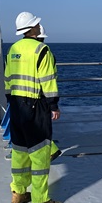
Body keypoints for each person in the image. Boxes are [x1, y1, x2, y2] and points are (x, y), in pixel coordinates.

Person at [4, 12, 63, 203]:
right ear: (31, 29)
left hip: (16, 107)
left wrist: (12, 102)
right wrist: (53, 106)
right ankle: (40, 202)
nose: (40, 27)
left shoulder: (13, 49)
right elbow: (48, 81)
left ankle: (18, 194)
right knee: (39, 156)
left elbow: (7, 79)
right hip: (36, 107)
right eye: (37, 24)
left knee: (19, 153)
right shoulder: (42, 50)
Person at [37, 24, 62, 162]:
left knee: (37, 127)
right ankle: (50, 150)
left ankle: (51, 150)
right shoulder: (47, 53)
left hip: (31, 97)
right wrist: (53, 105)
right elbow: (49, 80)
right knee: (42, 126)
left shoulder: (19, 50)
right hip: (42, 96)